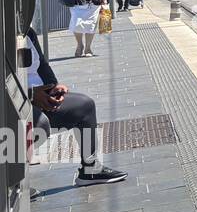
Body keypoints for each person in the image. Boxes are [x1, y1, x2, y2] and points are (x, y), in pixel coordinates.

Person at [26, 23, 126, 186]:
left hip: (42, 98)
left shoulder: (27, 33)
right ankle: (14, 183)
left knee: (84, 105)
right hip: (15, 104)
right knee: (39, 124)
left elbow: (43, 66)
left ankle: (91, 169)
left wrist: (53, 88)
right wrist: (30, 94)